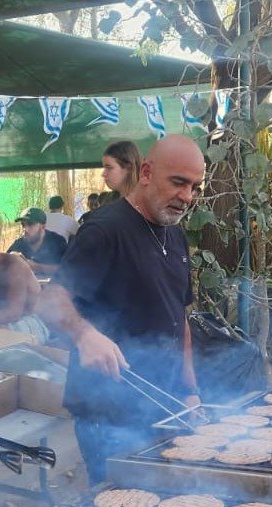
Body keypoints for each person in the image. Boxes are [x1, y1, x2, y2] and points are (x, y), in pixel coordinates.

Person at [37, 134, 205, 484]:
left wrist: (190, 391)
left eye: (194, 187)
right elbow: (51, 299)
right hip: (109, 414)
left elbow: (180, 318)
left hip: (162, 406)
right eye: (178, 182)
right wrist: (85, 335)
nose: (187, 196)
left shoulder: (175, 236)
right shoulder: (104, 230)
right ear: (146, 173)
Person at [6, 207, 67, 278]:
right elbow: (2, 266)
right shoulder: (19, 244)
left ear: (43, 225)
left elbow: (68, 268)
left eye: (30, 224)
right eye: (23, 225)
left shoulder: (57, 241)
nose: (25, 229)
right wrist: (11, 258)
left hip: (54, 284)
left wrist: (36, 267)